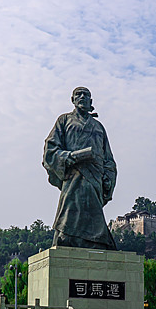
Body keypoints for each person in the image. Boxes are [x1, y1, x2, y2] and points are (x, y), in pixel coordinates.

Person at [43, 87, 117, 250]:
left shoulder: (98, 127)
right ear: (73, 100)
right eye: (79, 94)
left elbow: (109, 159)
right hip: (74, 177)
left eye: (86, 95)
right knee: (70, 209)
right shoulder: (64, 120)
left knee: (94, 214)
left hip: (94, 180)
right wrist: (70, 157)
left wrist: (108, 178)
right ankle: (66, 237)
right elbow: (50, 149)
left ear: (91, 101)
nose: (82, 97)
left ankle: (97, 241)